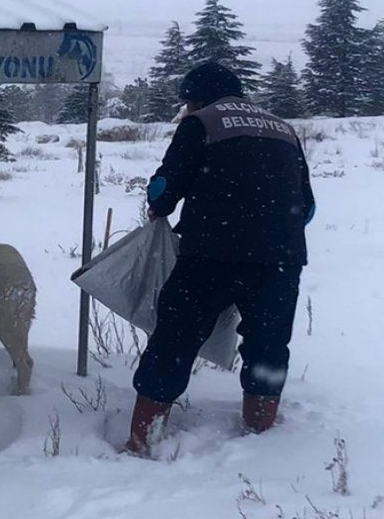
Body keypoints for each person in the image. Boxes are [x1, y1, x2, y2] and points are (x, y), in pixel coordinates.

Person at [123, 62, 316, 456]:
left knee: (175, 339)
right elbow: (308, 207)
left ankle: (143, 439)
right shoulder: (284, 128)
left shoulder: (202, 123)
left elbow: (163, 191)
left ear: (195, 99)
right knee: (269, 343)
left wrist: (160, 204)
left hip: (211, 254)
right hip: (282, 258)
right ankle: (261, 430)